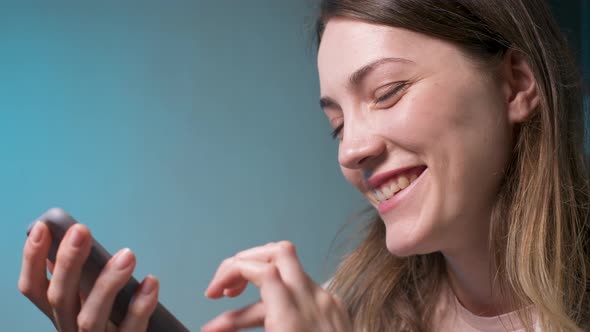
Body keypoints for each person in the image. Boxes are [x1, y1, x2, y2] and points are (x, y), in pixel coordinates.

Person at [18, 0, 589, 331]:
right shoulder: (351, 309)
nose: (350, 150)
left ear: (515, 85)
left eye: (388, 92)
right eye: (337, 123)